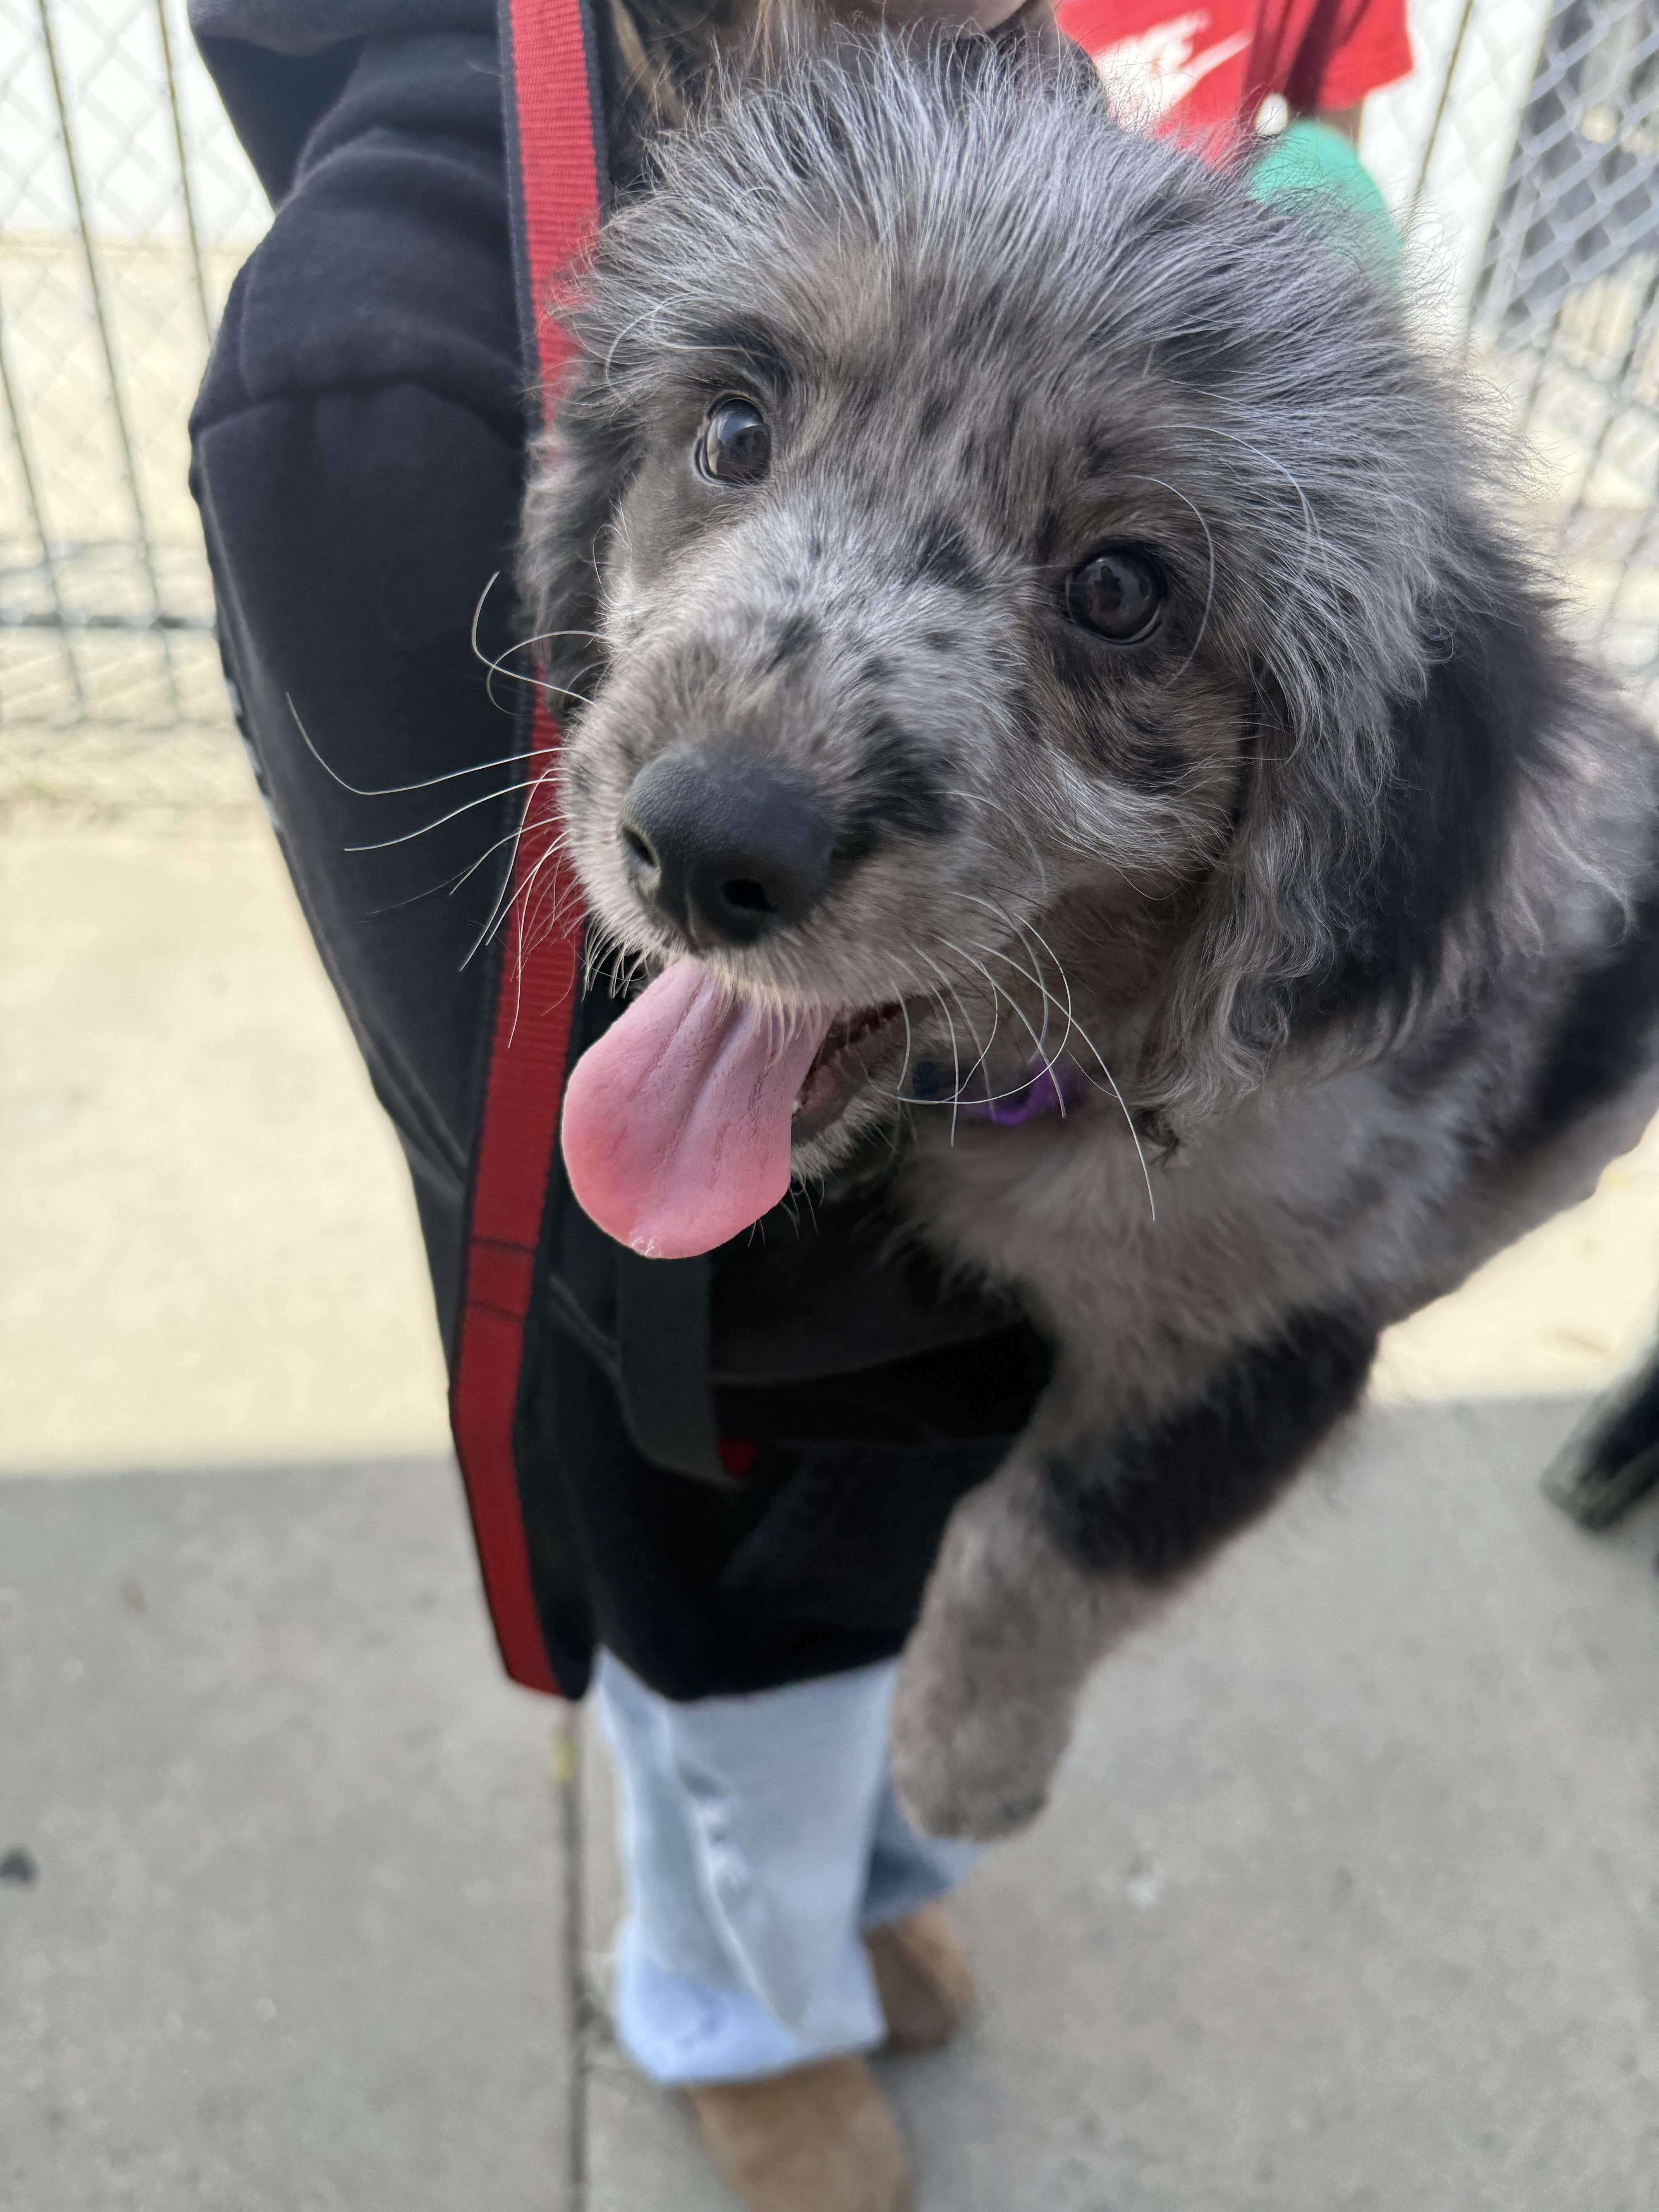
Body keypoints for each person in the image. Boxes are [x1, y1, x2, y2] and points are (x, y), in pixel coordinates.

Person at [186, 3, 1410, 2206]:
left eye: (1108, 584)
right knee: (736, 1678)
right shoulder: (384, 345)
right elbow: (581, 1222)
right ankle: (728, 2018)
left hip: (976, 1286)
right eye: (735, 430)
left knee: (882, 1664)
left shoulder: (1014, 98)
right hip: (726, 1355)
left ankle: (836, 1879)